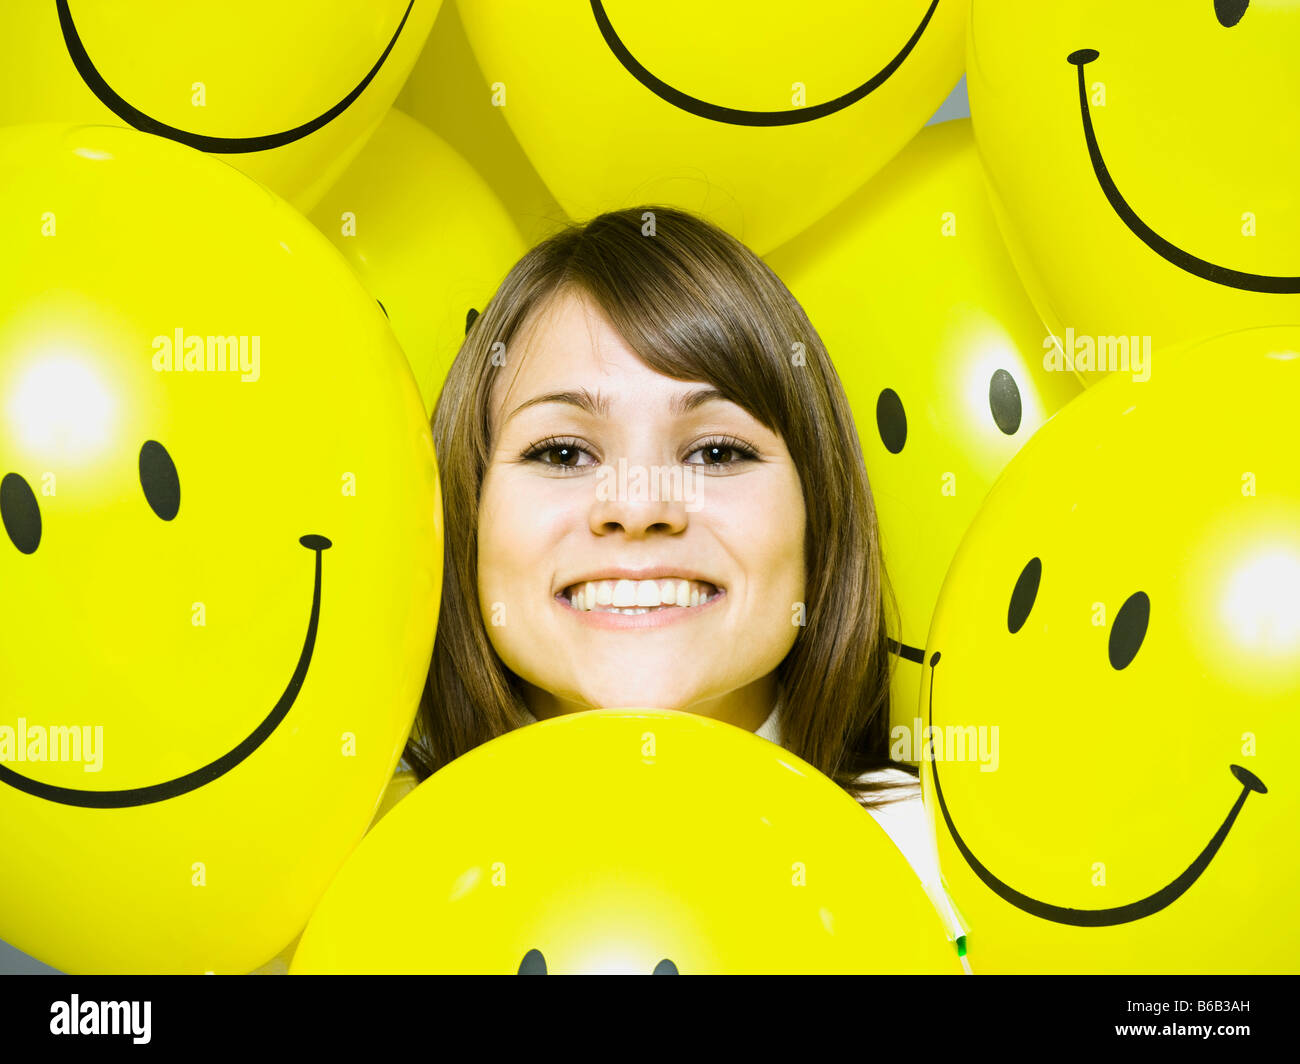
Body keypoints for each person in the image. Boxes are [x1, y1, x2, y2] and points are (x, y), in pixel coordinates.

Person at [402, 205, 966, 956]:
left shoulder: (958, 878)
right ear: (467, 511)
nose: (638, 506)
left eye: (717, 452)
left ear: (816, 515)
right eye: (564, 453)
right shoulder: (352, 860)